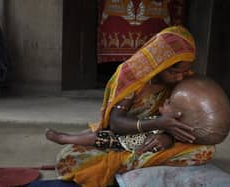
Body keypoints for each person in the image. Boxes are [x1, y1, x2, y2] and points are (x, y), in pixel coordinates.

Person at [46, 26, 216, 187]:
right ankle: (138, 164)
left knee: (206, 150)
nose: (180, 78)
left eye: (184, 72)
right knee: (70, 157)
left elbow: (184, 121)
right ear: (160, 63)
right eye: (174, 72)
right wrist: (159, 124)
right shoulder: (132, 76)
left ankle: (131, 165)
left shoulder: (182, 82)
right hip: (121, 135)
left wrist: (168, 137)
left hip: (155, 138)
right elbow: (115, 123)